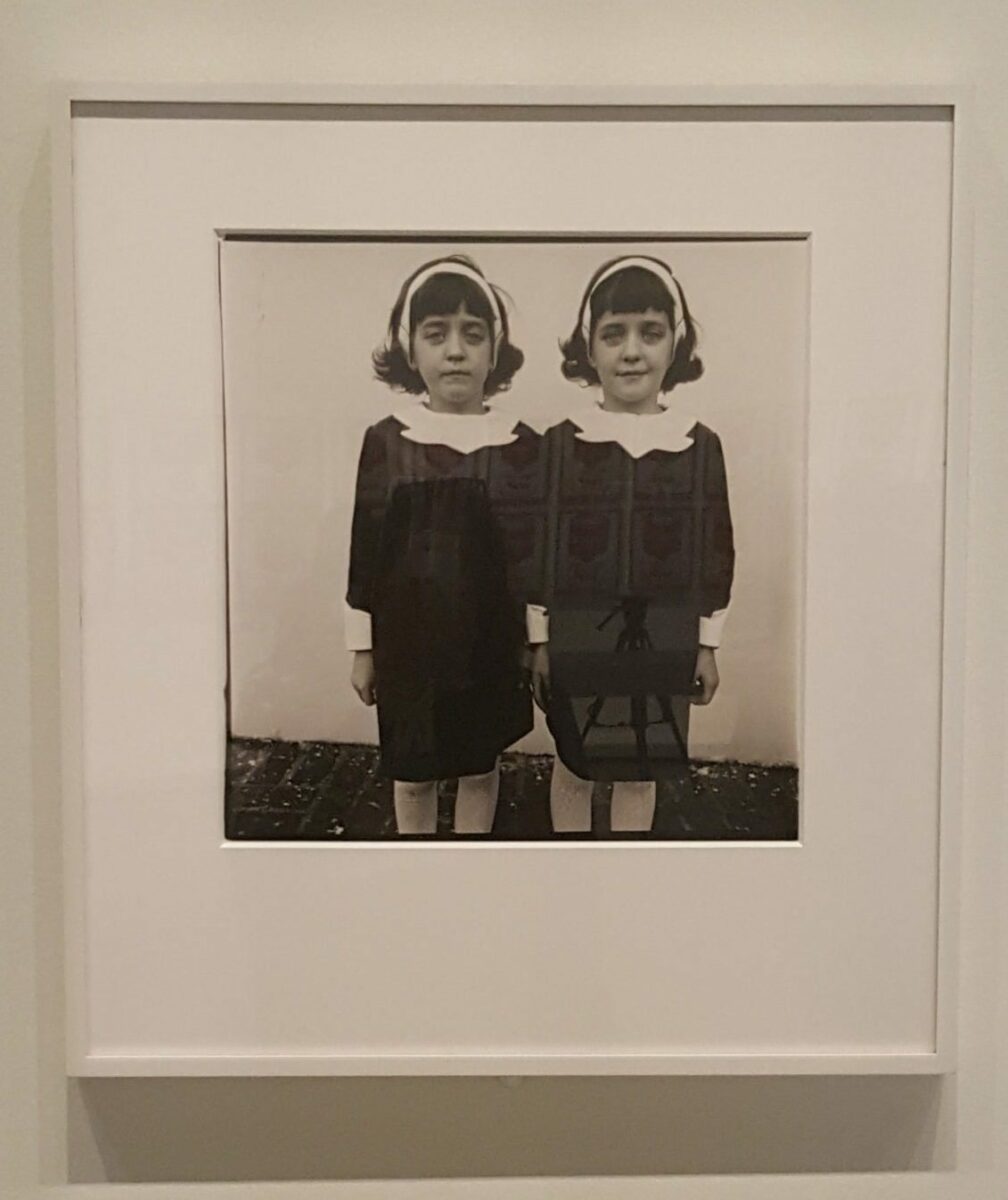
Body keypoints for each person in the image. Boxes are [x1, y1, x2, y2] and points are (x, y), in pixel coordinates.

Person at [345, 255, 548, 835]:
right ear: (410, 350)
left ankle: (471, 858)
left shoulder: (521, 445)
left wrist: (539, 642)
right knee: (413, 774)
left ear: (495, 350)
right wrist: (362, 648)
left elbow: (535, 556)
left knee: (479, 764)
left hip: (489, 644)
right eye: (436, 335)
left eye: (472, 335)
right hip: (409, 646)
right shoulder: (387, 441)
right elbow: (365, 551)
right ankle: (417, 859)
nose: (455, 351)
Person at [540, 255, 734, 834]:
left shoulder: (699, 445)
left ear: (676, 343)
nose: (631, 351)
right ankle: (571, 864)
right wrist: (538, 640)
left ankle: (629, 866)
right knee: (575, 761)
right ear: (588, 346)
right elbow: (539, 551)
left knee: (640, 763)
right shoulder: (562, 444)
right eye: (613, 334)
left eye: (650, 333)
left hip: (664, 633)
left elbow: (716, 549)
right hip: (579, 632)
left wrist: (707, 644)